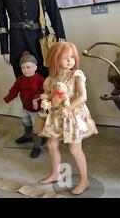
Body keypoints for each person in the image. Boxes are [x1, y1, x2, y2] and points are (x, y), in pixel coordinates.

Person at [37, 42, 98, 195]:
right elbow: (57, 95)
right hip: (57, 116)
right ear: (54, 59)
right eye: (65, 58)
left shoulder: (76, 75)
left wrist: (67, 108)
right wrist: (47, 97)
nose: (70, 60)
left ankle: (84, 180)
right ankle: (55, 173)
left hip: (72, 116)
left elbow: (82, 96)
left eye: (72, 57)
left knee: (74, 148)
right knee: (51, 144)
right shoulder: (51, 79)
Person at [4, 52, 45, 158]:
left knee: (37, 128)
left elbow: (43, 92)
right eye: (23, 68)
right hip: (25, 107)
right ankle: (27, 136)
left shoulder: (40, 79)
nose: (26, 70)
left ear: (35, 67)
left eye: (28, 67)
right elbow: (14, 90)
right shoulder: (20, 79)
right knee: (26, 122)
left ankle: (37, 147)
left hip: (37, 109)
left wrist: (36, 98)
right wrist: (8, 98)